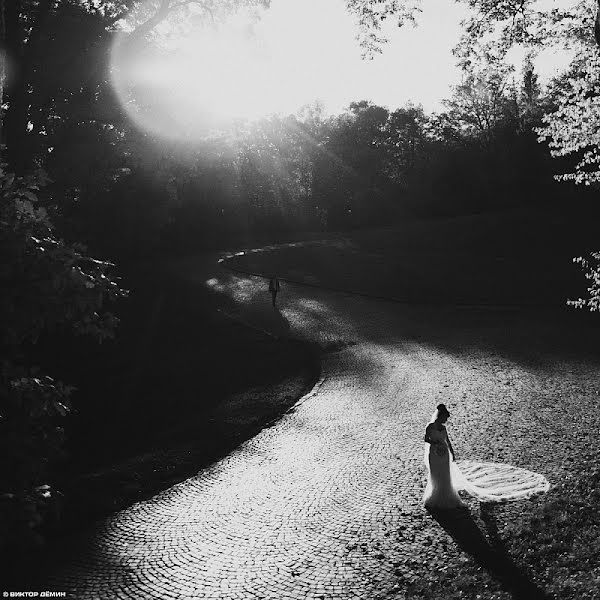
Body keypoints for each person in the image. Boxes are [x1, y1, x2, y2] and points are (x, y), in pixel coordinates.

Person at [423, 403, 465, 510]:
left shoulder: (443, 428)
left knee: (445, 475)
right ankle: (435, 495)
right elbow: (426, 439)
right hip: (434, 454)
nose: (445, 421)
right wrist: (434, 442)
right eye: (445, 418)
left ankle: (446, 494)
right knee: (436, 474)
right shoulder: (430, 426)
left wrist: (452, 453)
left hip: (444, 454)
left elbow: (448, 441)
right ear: (440, 416)